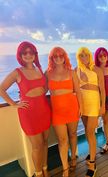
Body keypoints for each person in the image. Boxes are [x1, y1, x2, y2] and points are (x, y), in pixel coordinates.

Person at [0, 41, 51, 177]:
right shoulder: (17, 72)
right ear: (20, 55)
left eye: (31, 52)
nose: (28, 55)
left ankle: (45, 168)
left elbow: (44, 88)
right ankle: (38, 173)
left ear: (35, 54)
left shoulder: (39, 69)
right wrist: (14, 104)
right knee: (37, 145)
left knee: (45, 142)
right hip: (29, 113)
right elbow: (1, 88)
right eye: (25, 53)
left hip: (44, 110)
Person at [46, 47, 81, 176]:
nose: (58, 58)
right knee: (62, 140)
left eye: (61, 55)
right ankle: (65, 168)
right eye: (55, 56)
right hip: (57, 112)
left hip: (72, 108)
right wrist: (24, 95)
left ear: (64, 57)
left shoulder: (71, 72)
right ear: (51, 58)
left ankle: (73, 159)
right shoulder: (48, 73)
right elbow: (42, 90)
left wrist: (81, 107)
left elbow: (78, 91)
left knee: (72, 134)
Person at [76, 47, 105, 177]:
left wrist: (103, 105)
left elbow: (102, 90)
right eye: (81, 55)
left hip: (94, 102)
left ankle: (93, 163)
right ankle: (91, 153)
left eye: (86, 55)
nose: (84, 57)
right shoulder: (76, 70)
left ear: (89, 55)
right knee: (89, 133)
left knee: (89, 131)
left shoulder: (97, 70)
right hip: (82, 103)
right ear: (78, 57)